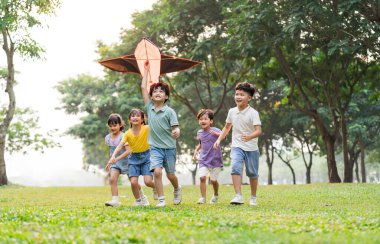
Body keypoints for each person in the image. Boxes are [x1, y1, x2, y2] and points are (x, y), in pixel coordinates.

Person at [214, 82, 262, 206]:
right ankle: (238, 195)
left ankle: (253, 196)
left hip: (251, 148)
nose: (238, 97)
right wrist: (219, 139)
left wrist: (250, 136)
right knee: (235, 167)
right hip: (237, 146)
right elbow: (226, 127)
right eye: (236, 94)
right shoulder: (232, 111)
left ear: (249, 98)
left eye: (242, 94)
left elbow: (258, 131)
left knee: (252, 173)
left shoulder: (253, 113)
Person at [141, 61, 181, 207]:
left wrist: (176, 132)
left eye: (161, 91)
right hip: (155, 147)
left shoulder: (170, 112)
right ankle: (162, 199)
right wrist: (146, 71)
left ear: (166, 97)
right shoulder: (149, 108)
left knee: (170, 175)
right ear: (151, 96)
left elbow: (176, 128)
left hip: (169, 147)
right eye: (155, 91)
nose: (157, 93)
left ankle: (177, 189)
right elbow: (143, 87)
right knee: (157, 172)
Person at [108, 109, 157, 206]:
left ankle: (156, 188)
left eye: (138, 116)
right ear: (129, 120)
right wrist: (112, 157)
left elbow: (156, 126)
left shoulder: (147, 128)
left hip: (146, 157)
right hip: (133, 159)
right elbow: (119, 146)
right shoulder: (127, 133)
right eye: (132, 116)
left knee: (147, 182)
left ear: (142, 119)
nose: (135, 117)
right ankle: (138, 200)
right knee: (133, 182)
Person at [193, 109, 223, 204]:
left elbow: (224, 136)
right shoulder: (199, 133)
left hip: (215, 160)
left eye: (205, 119)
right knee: (202, 178)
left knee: (213, 180)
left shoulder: (216, 130)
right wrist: (196, 151)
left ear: (211, 121)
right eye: (201, 119)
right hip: (203, 160)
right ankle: (203, 198)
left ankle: (216, 194)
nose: (203, 121)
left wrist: (217, 134)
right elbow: (202, 143)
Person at [104, 114, 130, 207]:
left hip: (127, 162)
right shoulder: (108, 138)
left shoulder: (124, 136)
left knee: (133, 182)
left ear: (120, 125)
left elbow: (128, 151)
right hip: (115, 163)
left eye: (115, 125)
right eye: (110, 126)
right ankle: (115, 200)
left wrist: (116, 158)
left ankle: (142, 197)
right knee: (113, 179)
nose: (112, 128)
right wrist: (109, 162)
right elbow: (110, 152)